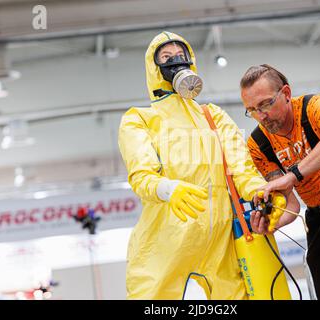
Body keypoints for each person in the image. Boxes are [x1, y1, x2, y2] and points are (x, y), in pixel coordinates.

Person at [118, 32, 288, 299]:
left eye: (180, 55)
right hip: (164, 244)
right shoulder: (139, 120)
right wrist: (169, 189)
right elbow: (141, 176)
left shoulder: (213, 116)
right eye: (166, 57)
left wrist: (264, 193)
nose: (176, 61)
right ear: (154, 68)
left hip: (220, 244)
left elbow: (242, 170)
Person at [241, 64, 320, 300]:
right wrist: (273, 223)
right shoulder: (258, 143)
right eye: (251, 110)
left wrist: (293, 174)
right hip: (316, 217)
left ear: (286, 93)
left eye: (265, 104)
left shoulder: (313, 107)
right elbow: (291, 205)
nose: (261, 116)